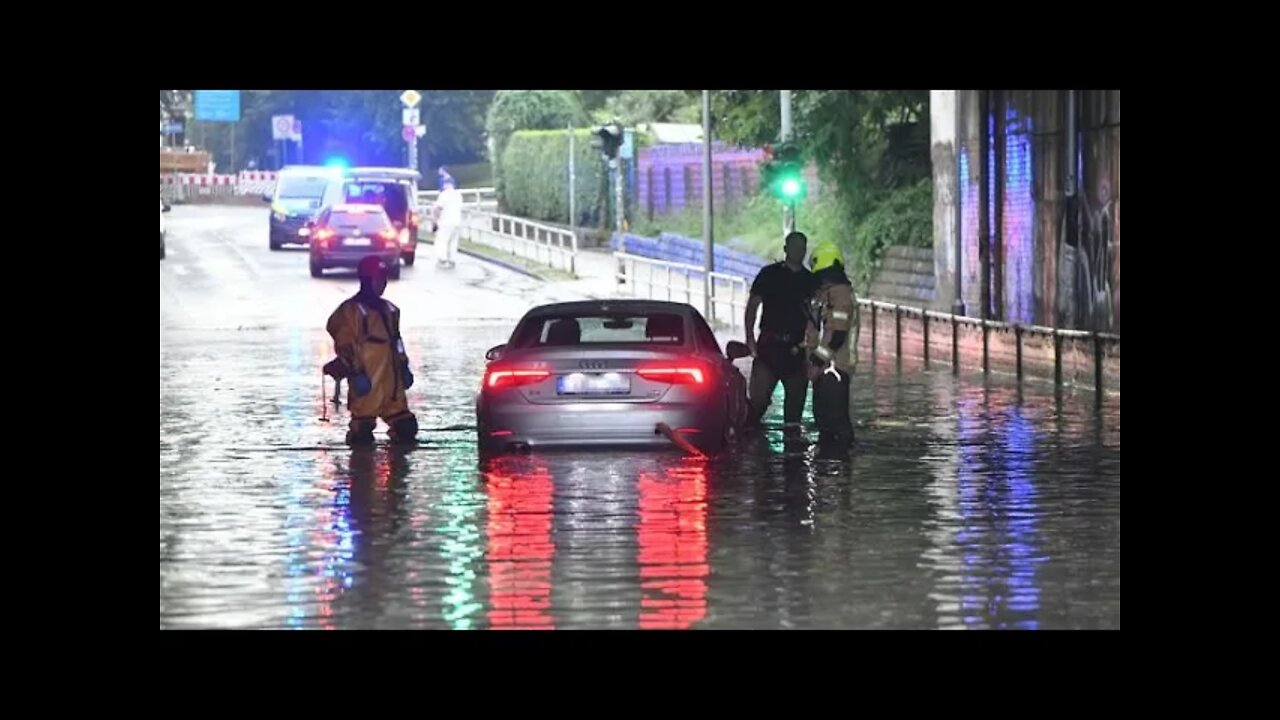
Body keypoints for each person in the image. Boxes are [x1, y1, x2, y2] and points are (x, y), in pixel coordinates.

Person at [323, 256, 418, 446]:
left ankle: (394, 466)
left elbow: (397, 341)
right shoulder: (350, 311)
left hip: (392, 387)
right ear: (366, 280)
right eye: (378, 278)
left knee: (406, 428)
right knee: (362, 436)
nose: (382, 283)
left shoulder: (390, 310)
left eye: (384, 279)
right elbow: (345, 344)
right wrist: (356, 371)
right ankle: (361, 469)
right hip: (367, 382)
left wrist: (404, 366)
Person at [743, 231, 817, 431]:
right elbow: (752, 306)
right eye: (795, 247)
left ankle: (792, 456)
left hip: (796, 349)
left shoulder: (810, 281)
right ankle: (747, 441)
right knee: (757, 403)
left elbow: (814, 319)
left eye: (802, 248)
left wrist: (811, 356)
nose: (799, 252)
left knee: (794, 416)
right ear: (785, 249)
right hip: (769, 347)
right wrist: (750, 338)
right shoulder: (769, 275)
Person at [804, 240, 858, 446]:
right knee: (826, 423)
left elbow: (837, 332)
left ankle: (838, 468)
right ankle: (830, 469)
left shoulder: (839, 293)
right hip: (829, 368)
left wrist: (817, 363)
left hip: (834, 368)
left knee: (835, 423)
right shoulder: (831, 292)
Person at [432, 180, 463, 268]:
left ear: (446, 185)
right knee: (453, 242)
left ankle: (442, 259)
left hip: (445, 222)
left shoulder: (444, 195)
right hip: (457, 222)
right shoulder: (458, 195)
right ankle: (452, 260)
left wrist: (435, 220)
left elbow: (438, 208)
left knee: (442, 240)